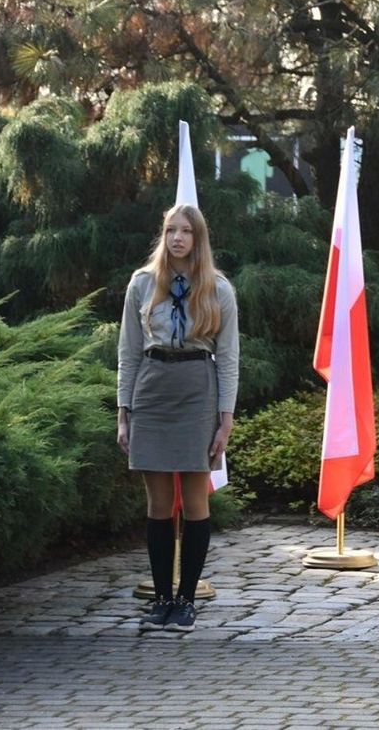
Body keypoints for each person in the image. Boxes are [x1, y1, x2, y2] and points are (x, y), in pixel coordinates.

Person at [117, 204, 239, 632]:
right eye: (171, 230)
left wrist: (225, 419)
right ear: (163, 235)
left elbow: (227, 359)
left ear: (198, 238)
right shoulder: (142, 283)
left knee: (194, 500)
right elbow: (128, 351)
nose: (178, 238)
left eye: (186, 231)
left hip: (196, 390)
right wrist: (123, 413)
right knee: (158, 504)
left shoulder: (218, 288)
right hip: (151, 389)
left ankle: (187, 600)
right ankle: (162, 599)